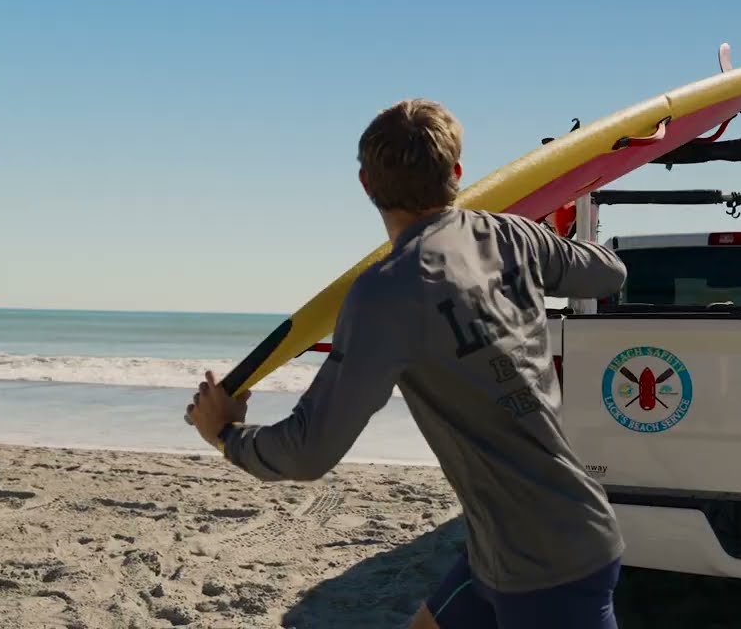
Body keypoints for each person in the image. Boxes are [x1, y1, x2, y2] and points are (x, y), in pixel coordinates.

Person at [186, 98, 628, 629]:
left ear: (365, 184)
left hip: (550, 568)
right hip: (506, 547)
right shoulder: (511, 236)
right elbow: (609, 275)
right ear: (456, 173)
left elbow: (309, 451)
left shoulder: (388, 291)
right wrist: (548, 231)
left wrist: (226, 435)